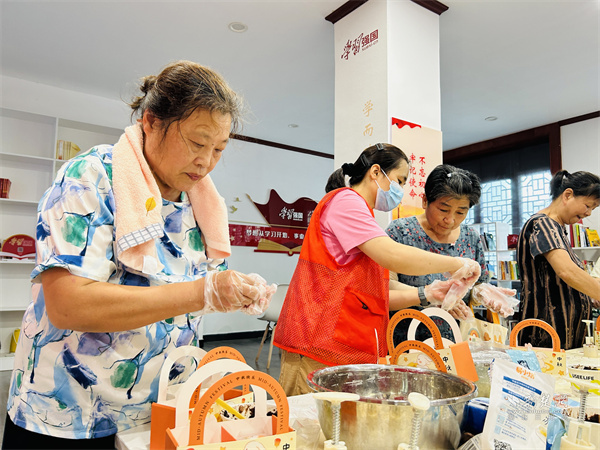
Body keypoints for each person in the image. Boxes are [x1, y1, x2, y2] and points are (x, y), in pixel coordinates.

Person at [3, 61, 275, 449]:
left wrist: (234, 289)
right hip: (66, 414)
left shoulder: (201, 201)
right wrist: (203, 292)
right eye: (197, 143)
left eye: (218, 149)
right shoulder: (92, 176)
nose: (207, 161)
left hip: (154, 411)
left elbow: (198, 284)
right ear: (151, 122)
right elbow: (67, 304)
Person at [273, 144, 481, 396]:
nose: (401, 192)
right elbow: (392, 256)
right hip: (315, 341)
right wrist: (456, 264)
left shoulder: (363, 213)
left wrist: (428, 293)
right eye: (399, 181)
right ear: (375, 172)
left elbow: (379, 288)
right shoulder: (346, 202)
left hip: (341, 344)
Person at [385, 164, 511, 345]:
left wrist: (482, 292)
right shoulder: (400, 231)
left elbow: (477, 283)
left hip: (455, 342)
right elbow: (385, 286)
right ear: (425, 201)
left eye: (461, 212)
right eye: (444, 210)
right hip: (406, 341)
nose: (450, 220)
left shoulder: (470, 237)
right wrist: (429, 295)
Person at [516, 170, 600, 350]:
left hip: (562, 335)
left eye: (593, 209)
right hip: (546, 336)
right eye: (588, 205)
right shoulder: (542, 224)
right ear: (568, 195)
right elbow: (567, 272)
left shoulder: (558, 228)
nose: (589, 213)